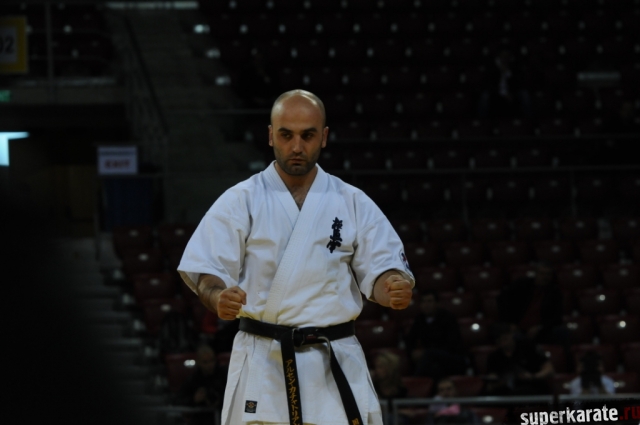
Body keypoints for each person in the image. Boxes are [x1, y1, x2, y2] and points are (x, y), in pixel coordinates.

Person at [178, 89, 415, 425]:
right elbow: (207, 272)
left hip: (334, 360)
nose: (297, 146)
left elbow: (381, 269)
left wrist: (392, 286)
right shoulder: (240, 200)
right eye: (286, 135)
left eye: (308, 135)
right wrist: (217, 297)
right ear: (271, 135)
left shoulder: (352, 201)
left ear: (324, 137)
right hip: (264, 360)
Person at [404, 291, 467, 380]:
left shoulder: (448, 318)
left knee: (429, 356)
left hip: (451, 357)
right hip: (431, 360)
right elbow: (410, 339)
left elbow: (452, 344)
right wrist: (412, 352)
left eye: (429, 301)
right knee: (433, 368)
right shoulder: (419, 319)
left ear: (437, 303)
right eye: (423, 301)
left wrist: (427, 352)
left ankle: (416, 381)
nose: (426, 305)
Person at [484, 324, 554, 396]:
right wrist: (501, 382)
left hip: (533, 388)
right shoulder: (494, 356)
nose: (503, 343)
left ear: (511, 334)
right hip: (506, 394)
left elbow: (549, 369)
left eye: (505, 338)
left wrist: (532, 377)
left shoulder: (529, 347)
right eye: (499, 341)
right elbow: (491, 381)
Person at [174, 344, 228, 425]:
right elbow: (178, 400)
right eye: (205, 362)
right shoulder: (194, 379)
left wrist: (221, 400)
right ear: (199, 362)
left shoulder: (224, 375)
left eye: (212, 360)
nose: (210, 365)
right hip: (201, 420)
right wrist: (194, 399)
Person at [371, 351, 408, 425]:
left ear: (390, 369)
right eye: (376, 367)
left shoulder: (401, 389)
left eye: (380, 367)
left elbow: (406, 411)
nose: (376, 370)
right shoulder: (373, 386)